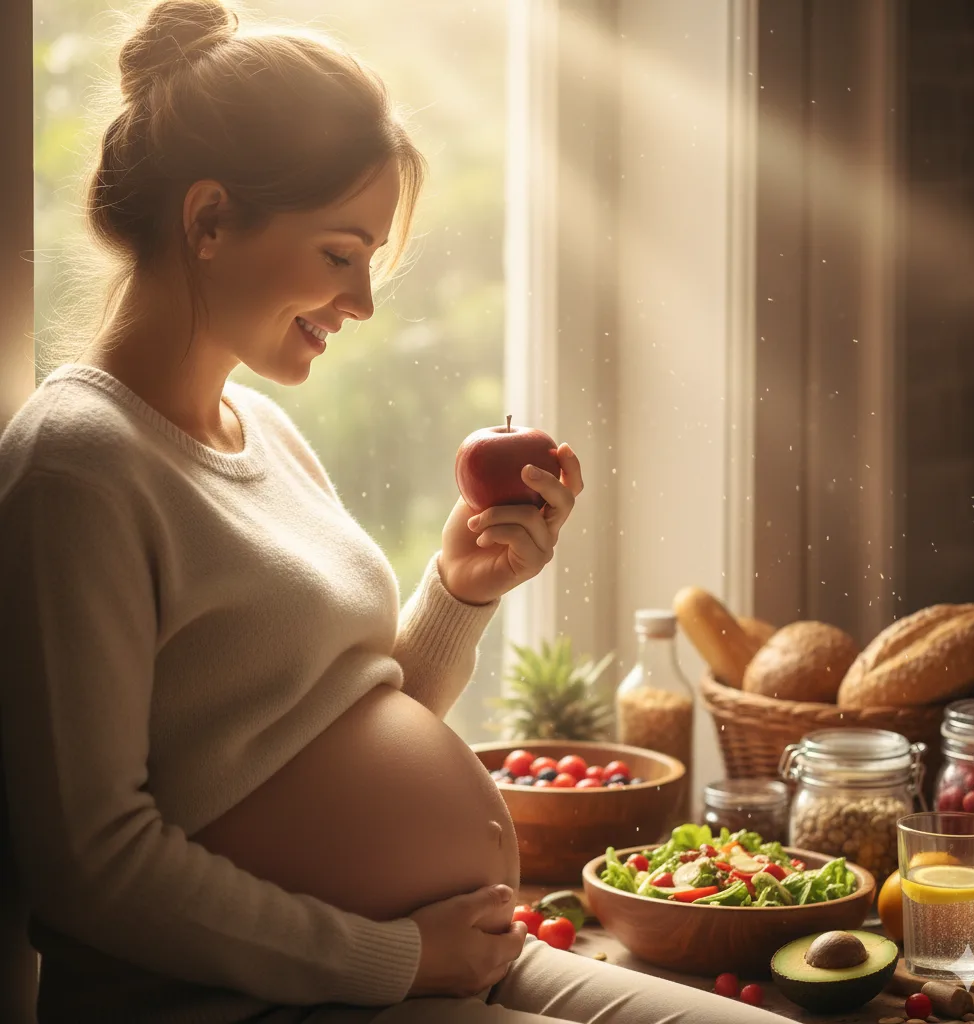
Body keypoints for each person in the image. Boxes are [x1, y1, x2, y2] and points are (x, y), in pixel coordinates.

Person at [0, 1, 781, 1021]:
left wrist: (460, 591)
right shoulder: (78, 470)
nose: (362, 301)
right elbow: (91, 866)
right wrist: (395, 958)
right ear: (207, 220)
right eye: (339, 253)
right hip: (264, 995)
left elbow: (346, 718)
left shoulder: (262, 431)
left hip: (445, 952)